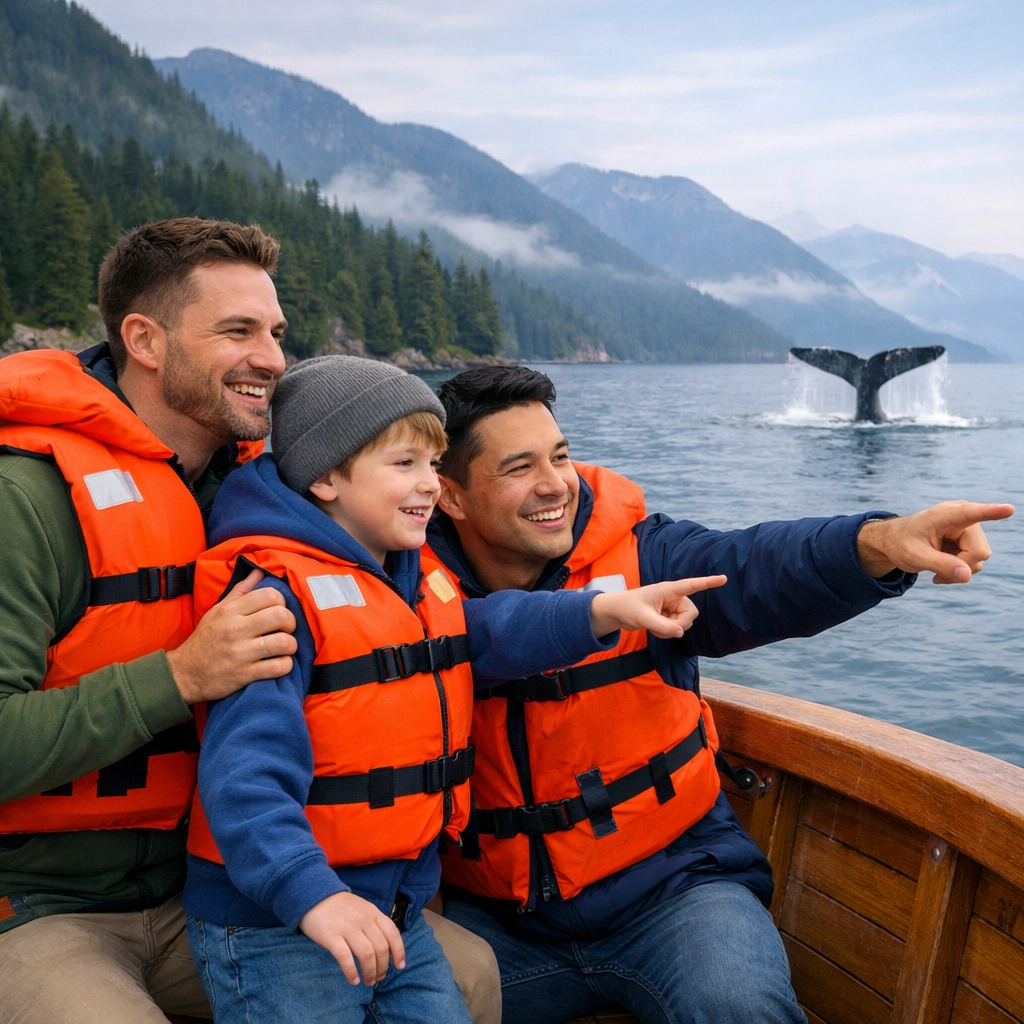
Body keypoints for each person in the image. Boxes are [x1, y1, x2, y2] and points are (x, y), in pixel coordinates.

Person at [0, 220, 485, 1024]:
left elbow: (418, 617)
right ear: (145, 340)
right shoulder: (27, 500)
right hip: (42, 904)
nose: (272, 358)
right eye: (238, 331)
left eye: (276, 332)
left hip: (217, 892)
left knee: (468, 973)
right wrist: (180, 677)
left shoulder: (278, 489)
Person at [424, 365, 1014, 1024]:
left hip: (674, 893)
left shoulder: (650, 558)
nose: (555, 483)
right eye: (519, 467)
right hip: (499, 924)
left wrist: (877, 544)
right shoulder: (406, 597)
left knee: (739, 1005)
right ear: (450, 497)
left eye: (560, 456)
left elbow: (759, 568)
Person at [181, 355, 723, 1024]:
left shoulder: (408, 577)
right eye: (404, 465)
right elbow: (243, 780)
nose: (431, 487)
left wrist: (600, 611)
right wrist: (314, 896)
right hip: (276, 926)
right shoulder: (274, 605)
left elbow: (487, 629)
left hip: (393, 914)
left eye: (434, 466)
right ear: (326, 477)